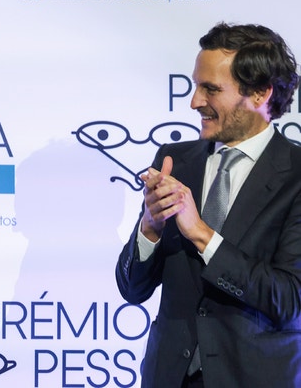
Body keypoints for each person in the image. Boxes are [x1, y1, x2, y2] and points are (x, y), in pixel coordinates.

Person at [115, 23, 301, 388]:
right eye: (196, 86)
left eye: (211, 89)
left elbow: (289, 300)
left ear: (260, 93)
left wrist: (201, 233)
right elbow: (132, 289)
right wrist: (150, 227)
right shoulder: (174, 161)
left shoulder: (295, 176)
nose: (194, 101)